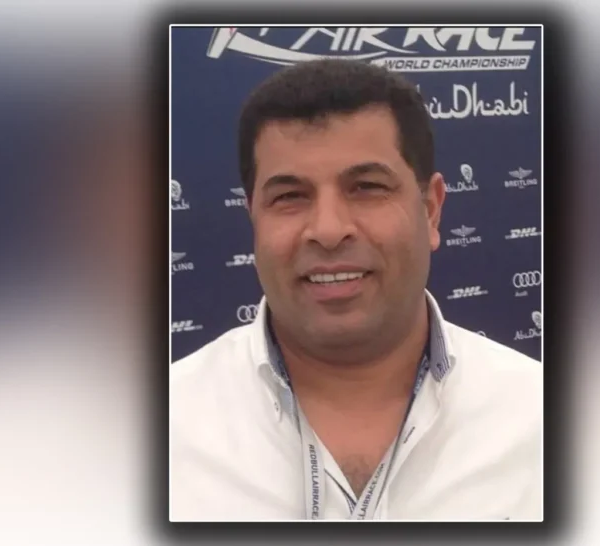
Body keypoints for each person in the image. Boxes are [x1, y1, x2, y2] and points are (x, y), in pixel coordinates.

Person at [170, 59, 542, 521]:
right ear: (254, 217)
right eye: (289, 196)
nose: (328, 230)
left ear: (430, 210)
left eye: (366, 187)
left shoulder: (541, 417)